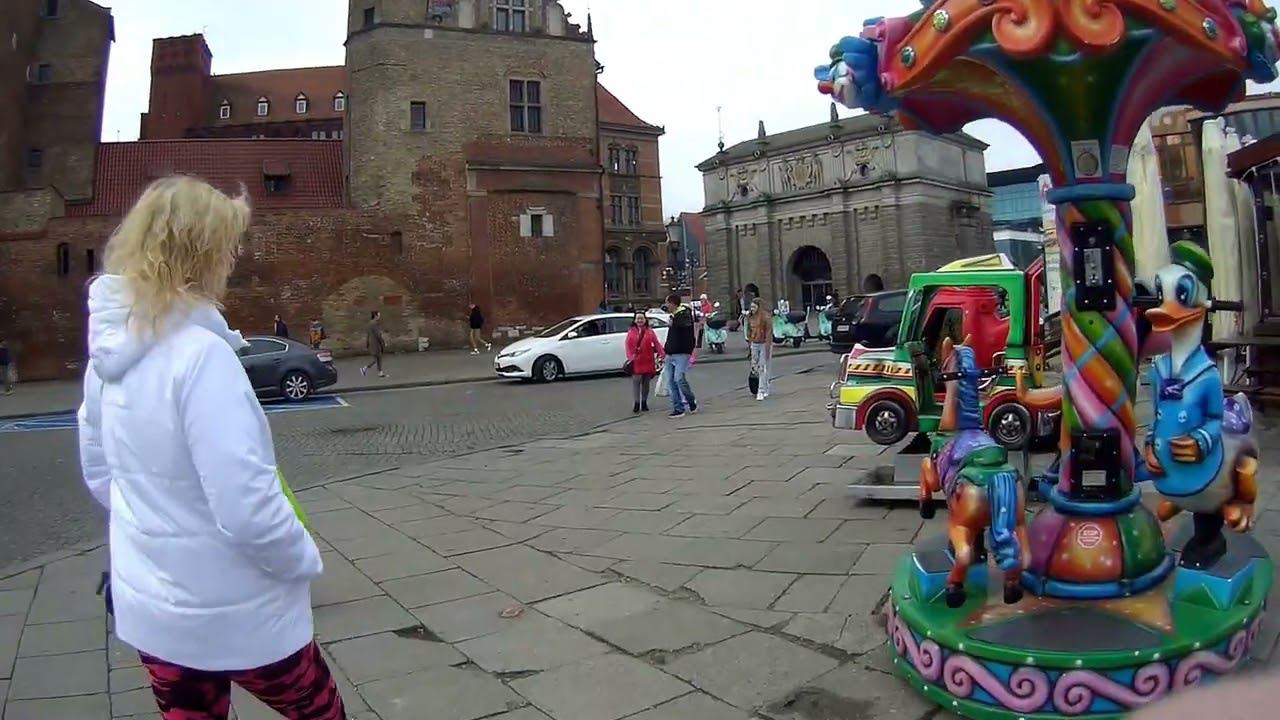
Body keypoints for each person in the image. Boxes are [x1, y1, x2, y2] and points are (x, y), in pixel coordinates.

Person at [75, 176, 345, 719]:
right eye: (229, 246)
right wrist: (300, 559)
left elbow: (101, 474)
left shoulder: (107, 359)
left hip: (154, 608)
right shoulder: (201, 356)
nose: (234, 258)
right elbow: (247, 508)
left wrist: (160, 524)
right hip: (239, 611)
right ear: (201, 254)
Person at [663, 293, 698, 417]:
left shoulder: (684, 315)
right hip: (670, 352)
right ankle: (678, 408)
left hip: (682, 352)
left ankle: (691, 401)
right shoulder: (673, 316)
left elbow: (684, 326)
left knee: (679, 379)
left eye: (667, 303)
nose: (666, 305)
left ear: (672, 303)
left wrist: (674, 321)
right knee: (671, 382)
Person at [625, 312, 665, 413]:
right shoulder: (631, 332)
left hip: (648, 360)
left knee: (646, 384)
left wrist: (663, 354)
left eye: (641, 318)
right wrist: (631, 357)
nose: (640, 320)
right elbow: (628, 346)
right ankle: (636, 403)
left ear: (645, 320)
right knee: (636, 382)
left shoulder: (650, 331)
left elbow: (656, 344)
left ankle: (644, 402)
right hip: (636, 361)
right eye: (638, 318)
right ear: (635, 320)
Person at [747, 299, 772, 401]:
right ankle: (765, 385)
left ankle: (761, 390)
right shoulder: (750, 317)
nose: (752, 309)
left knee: (762, 366)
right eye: (751, 307)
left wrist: (767, 347)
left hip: (763, 343)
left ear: (758, 307)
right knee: (755, 367)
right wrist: (750, 345)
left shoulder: (765, 317)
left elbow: (769, 332)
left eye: (754, 307)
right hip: (754, 343)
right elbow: (749, 331)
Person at [361, 311, 387, 378]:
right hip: (376, 344)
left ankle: (380, 373)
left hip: (372, 343)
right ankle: (364, 368)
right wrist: (383, 343)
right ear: (375, 316)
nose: (379, 317)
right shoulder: (375, 324)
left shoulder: (369, 323)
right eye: (378, 316)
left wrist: (367, 344)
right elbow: (378, 335)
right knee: (375, 359)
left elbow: (368, 335)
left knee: (378, 358)